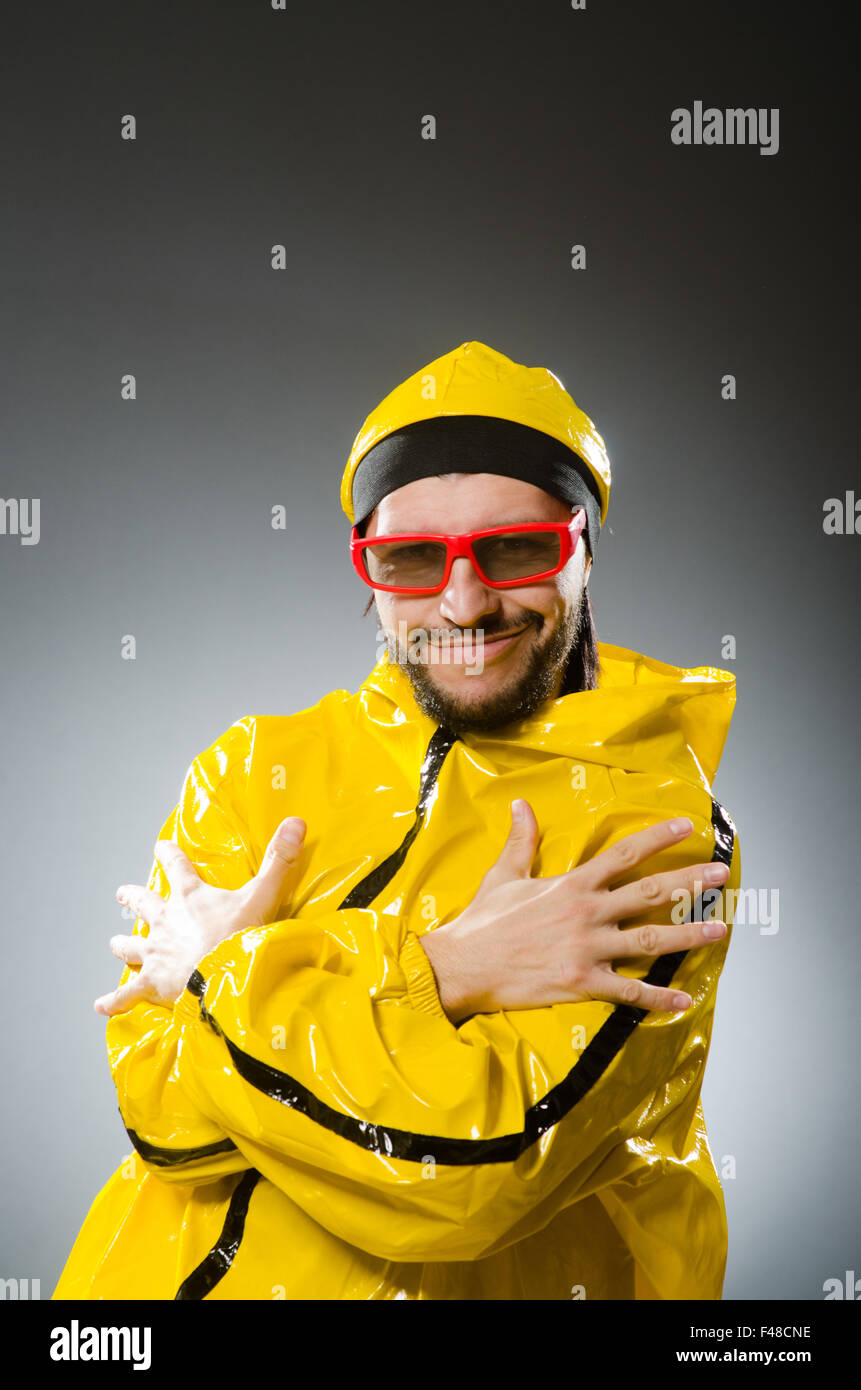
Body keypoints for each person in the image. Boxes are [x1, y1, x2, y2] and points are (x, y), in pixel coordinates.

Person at [53, 340, 739, 1301]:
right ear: (368, 568)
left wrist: (218, 969)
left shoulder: (652, 824)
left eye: (514, 549)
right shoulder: (251, 766)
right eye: (413, 557)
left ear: (580, 546)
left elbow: (469, 1177)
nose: (463, 601)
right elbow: (162, 1119)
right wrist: (443, 976)